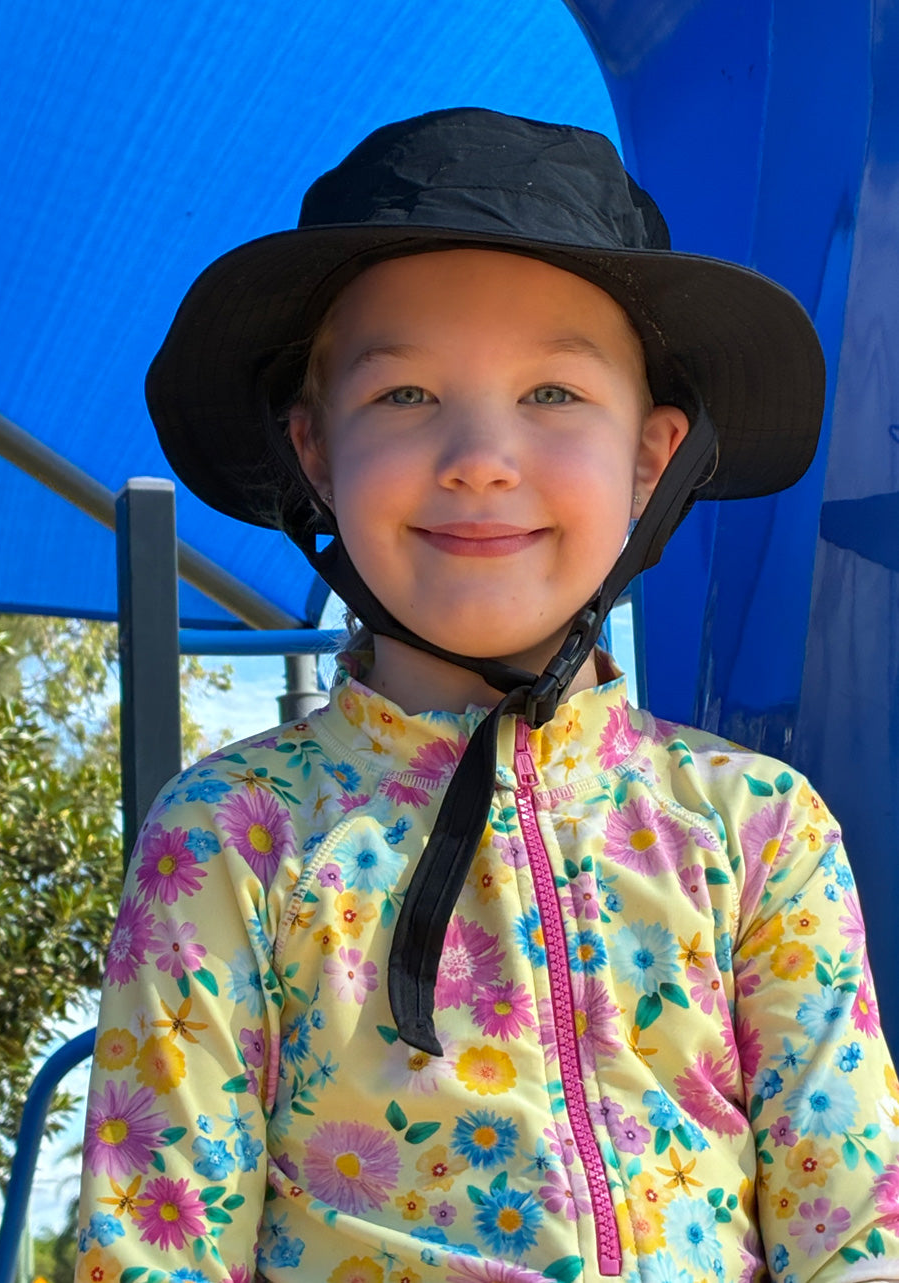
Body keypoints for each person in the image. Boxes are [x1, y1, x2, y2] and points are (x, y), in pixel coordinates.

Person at [73, 109, 899, 1283]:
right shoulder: (232, 837)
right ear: (315, 452)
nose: (479, 456)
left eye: (553, 391)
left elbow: (857, 1229)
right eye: (406, 394)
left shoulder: (758, 828)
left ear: (652, 456)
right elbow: (156, 1251)